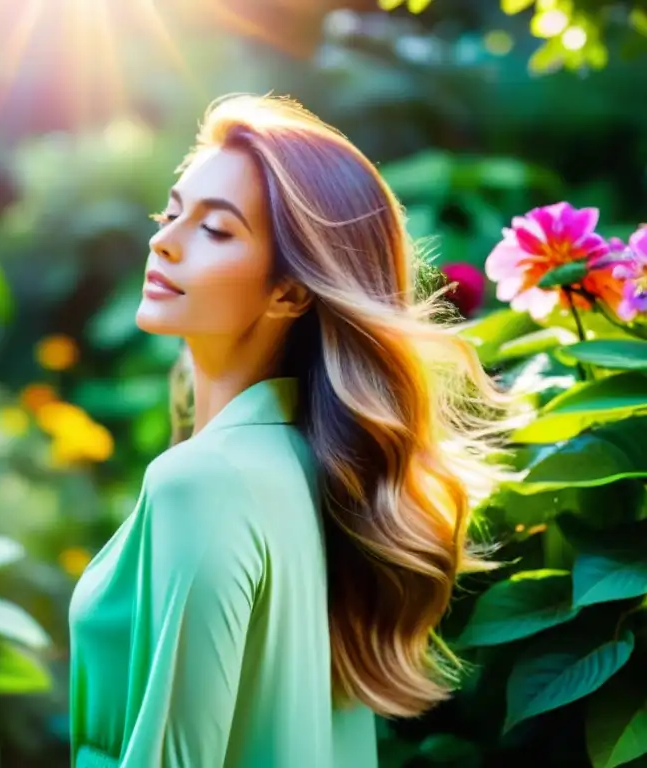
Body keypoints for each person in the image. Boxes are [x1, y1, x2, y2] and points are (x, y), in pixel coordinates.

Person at [68, 93, 504, 768]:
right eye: (171, 213)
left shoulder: (208, 482)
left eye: (214, 230)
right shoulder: (316, 470)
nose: (163, 241)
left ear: (291, 292)